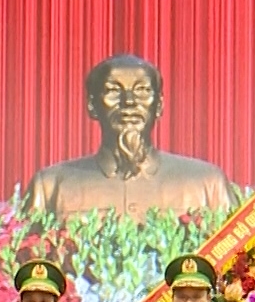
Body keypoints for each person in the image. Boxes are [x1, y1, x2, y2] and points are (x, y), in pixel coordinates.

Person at [25, 54, 239, 219]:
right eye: (113, 90)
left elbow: (239, 259)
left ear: (159, 105)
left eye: (142, 90)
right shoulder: (51, 186)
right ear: (92, 105)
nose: (129, 102)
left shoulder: (206, 183)